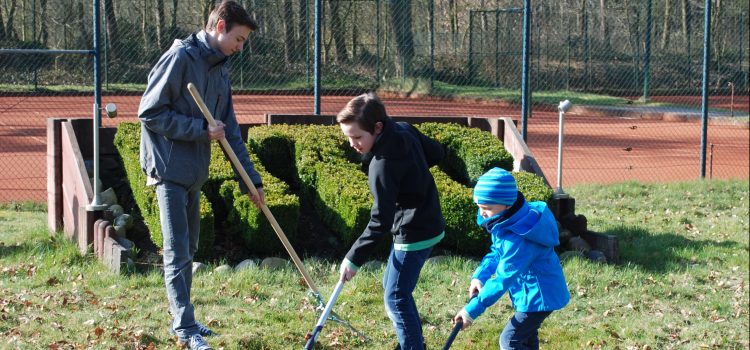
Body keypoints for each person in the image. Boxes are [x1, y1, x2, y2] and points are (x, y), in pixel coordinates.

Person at [138, 1, 264, 349]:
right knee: (178, 249)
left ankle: (185, 318)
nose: (240, 48)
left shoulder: (219, 68)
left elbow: (230, 130)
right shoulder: (180, 58)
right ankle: (184, 327)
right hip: (168, 167)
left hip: (194, 170)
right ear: (220, 26)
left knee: (190, 246)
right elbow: (149, 112)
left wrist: (251, 181)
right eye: (238, 39)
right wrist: (199, 129)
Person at [337, 93, 446, 350]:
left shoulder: (381, 164)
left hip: (413, 234)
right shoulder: (404, 130)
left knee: (396, 297)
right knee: (393, 287)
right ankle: (411, 342)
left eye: (357, 137)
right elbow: (436, 153)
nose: (353, 143)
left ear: (377, 127)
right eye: (349, 137)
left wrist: (353, 258)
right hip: (431, 222)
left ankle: (412, 346)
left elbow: (380, 221)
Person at [452, 167, 570, 350]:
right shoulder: (508, 221)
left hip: (540, 295)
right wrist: (480, 276)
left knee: (510, 341)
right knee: (526, 337)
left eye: (486, 208)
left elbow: (502, 279)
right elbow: (497, 252)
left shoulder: (520, 237)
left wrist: (471, 310)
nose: (482, 213)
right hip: (530, 294)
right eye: (479, 207)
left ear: (506, 204)